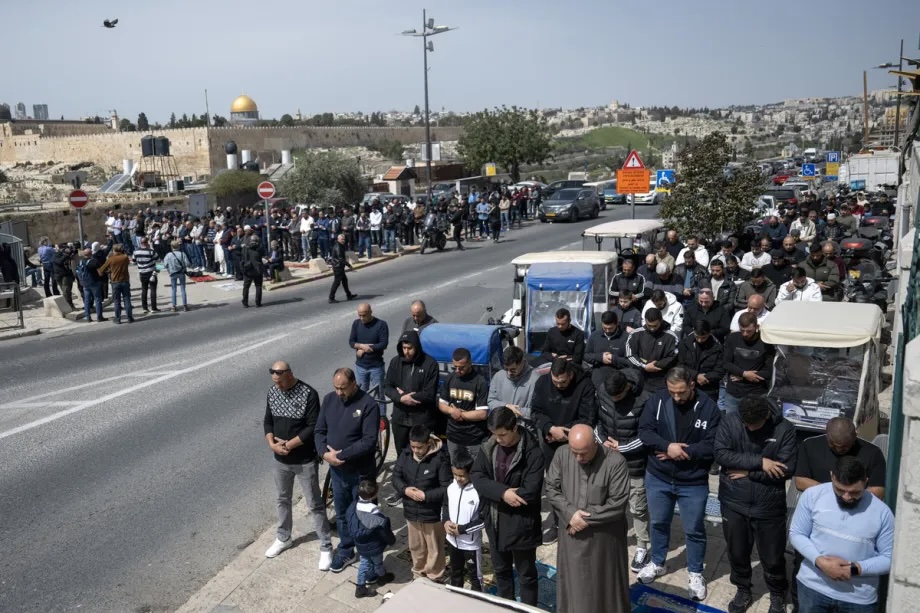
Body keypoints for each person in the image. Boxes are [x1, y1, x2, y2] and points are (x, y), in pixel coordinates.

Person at [637, 366, 721, 602]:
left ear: (692, 385)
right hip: (658, 476)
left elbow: (713, 444)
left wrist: (684, 452)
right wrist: (667, 446)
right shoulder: (658, 401)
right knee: (658, 522)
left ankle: (695, 572)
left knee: (694, 529)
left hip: (693, 482)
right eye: (672, 391)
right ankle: (657, 562)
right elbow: (644, 431)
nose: (676, 397)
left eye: (681, 392)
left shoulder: (709, 408)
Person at [714, 396, 797, 613]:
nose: (750, 429)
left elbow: (785, 470)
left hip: (768, 505)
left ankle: (778, 593)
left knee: (772, 556)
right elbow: (721, 455)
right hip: (733, 501)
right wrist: (760, 463)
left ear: (766, 416)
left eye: (756, 425)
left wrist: (748, 472)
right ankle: (743, 589)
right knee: (737, 552)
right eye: (746, 425)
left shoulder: (784, 429)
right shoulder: (731, 421)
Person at [789, 456, 894, 613]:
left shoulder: (882, 512)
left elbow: (890, 558)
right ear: (832, 476)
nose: (846, 497)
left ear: (865, 481)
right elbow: (796, 533)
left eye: (854, 492)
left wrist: (854, 569)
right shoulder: (812, 496)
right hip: (812, 588)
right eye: (839, 489)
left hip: (858, 598)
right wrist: (821, 563)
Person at [545, 424, 631, 613]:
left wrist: (584, 519)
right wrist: (570, 514)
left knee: (606, 586)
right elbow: (551, 487)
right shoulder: (561, 454)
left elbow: (617, 502)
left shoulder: (615, 462)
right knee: (574, 585)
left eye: (583, 453)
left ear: (595, 444)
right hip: (571, 536)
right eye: (574, 452)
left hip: (605, 539)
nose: (578, 458)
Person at [262, 361, 333, 569]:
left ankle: (326, 546)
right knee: (282, 499)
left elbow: (313, 427)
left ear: (290, 375)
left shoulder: (308, 394)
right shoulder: (273, 392)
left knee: (314, 503)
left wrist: (290, 445)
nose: (279, 387)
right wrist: (272, 445)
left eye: (281, 382)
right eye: (275, 382)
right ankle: (284, 537)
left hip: (303, 460)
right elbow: (268, 421)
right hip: (280, 459)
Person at [471, 407, 544, 607]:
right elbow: (477, 477)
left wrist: (495, 491)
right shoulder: (489, 447)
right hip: (494, 521)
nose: (498, 439)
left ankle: (528, 609)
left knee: (526, 576)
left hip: (522, 525)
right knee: (502, 573)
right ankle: (506, 607)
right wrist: (504, 493)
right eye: (494, 434)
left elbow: (530, 491)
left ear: (514, 428)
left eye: (502, 435)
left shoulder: (533, 452)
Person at [314, 368, 380, 573]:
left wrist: (340, 455)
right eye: (336, 388)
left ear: (354, 384)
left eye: (343, 388)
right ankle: (346, 549)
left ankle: (370, 554)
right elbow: (319, 431)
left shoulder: (368, 405)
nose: (339, 392)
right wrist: (325, 454)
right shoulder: (329, 400)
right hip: (337, 472)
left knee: (364, 514)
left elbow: (369, 442)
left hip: (360, 472)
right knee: (342, 514)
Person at [531, 357, 597, 544]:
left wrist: (564, 433)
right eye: (555, 381)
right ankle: (557, 523)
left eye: (563, 382)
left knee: (578, 485)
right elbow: (536, 411)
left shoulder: (584, 385)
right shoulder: (543, 382)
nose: (559, 385)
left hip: (575, 443)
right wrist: (550, 428)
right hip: (549, 440)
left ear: (571, 374)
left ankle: (580, 520)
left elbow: (588, 418)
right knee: (554, 484)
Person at [594, 369, 650, 572]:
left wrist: (623, 447)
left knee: (638, 508)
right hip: (608, 460)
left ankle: (642, 546)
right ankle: (609, 538)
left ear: (627, 386)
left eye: (618, 396)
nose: (614, 401)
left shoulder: (644, 400)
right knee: (608, 502)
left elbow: (647, 435)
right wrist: (602, 443)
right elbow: (598, 422)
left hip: (635, 465)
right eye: (611, 397)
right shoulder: (602, 392)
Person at [392, 425, 452, 581]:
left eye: (419, 447)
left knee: (435, 548)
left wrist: (426, 495)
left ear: (428, 443)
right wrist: (405, 490)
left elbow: (447, 488)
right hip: (411, 512)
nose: (416, 450)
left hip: (432, 513)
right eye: (413, 447)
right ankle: (418, 574)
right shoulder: (405, 455)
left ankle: (435, 576)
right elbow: (396, 477)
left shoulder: (440, 459)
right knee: (416, 546)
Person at [383, 329, 440, 462]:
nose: (406, 351)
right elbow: (387, 386)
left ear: (417, 346)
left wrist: (408, 397)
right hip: (400, 419)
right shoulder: (395, 362)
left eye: (410, 348)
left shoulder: (430, 364)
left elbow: (429, 393)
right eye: (404, 348)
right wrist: (401, 398)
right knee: (402, 456)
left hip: (421, 420)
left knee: (423, 456)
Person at [442, 449, 485, 591]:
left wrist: (462, 529)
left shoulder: (478, 492)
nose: (458, 479)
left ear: (470, 473)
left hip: (470, 545)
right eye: (455, 474)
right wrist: (446, 521)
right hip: (452, 541)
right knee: (455, 573)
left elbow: (483, 520)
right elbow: (446, 506)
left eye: (462, 476)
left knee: (476, 577)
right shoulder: (450, 487)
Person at [439, 348, 490, 463]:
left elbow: (482, 414)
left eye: (461, 368)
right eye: (455, 367)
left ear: (470, 363)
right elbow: (442, 404)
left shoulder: (480, 382)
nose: (457, 370)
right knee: (457, 472)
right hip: (453, 436)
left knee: (475, 472)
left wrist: (460, 414)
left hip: (474, 439)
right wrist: (452, 411)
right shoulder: (450, 378)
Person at [346, 479, 396, 598]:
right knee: (377, 561)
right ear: (374, 495)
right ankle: (380, 578)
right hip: (373, 545)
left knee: (364, 563)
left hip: (361, 544)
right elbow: (383, 530)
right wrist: (391, 540)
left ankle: (361, 586)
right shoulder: (374, 511)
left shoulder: (353, 506)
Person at [723, 312, 775, 414]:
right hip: (734, 393)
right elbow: (726, 363)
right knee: (732, 425)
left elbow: (770, 372)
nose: (745, 334)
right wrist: (744, 374)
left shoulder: (765, 343)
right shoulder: (733, 338)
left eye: (749, 331)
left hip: (756, 394)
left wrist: (743, 376)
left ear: (757, 327)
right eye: (742, 330)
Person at [626, 307, 680, 402]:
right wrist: (644, 366)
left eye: (655, 325)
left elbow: (674, 356)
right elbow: (630, 355)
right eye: (649, 325)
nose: (652, 328)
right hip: (640, 379)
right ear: (645, 321)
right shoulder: (635, 334)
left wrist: (656, 365)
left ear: (661, 321)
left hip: (662, 380)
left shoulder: (671, 336)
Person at [349, 303, 389, 407]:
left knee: (380, 395)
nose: (361, 318)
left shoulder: (381, 325)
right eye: (359, 315)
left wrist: (366, 349)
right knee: (360, 395)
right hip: (360, 367)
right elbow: (351, 342)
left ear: (370, 312)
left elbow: (383, 344)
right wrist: (361, 346)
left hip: (376, 367)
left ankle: (382, 418)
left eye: (364, 315)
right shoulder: (356, 324)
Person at [487, 346, 538, 421]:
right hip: (502, 426)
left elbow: (538, 411)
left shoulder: (536, 379)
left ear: (522, 362)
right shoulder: (498, 376)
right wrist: (506, 406)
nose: (509, 373)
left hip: (525, 428)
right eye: (506, 369)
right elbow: (491, 401)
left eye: (513, 370)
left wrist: (517, 411)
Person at [678, 319, 724, 401]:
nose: (700, 340)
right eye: (697, 337)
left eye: (703, 337)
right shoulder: (685, 343)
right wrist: (696, 376)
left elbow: (720, 371)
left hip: (709, 388)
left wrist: (705, 377)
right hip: (688, 385)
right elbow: (680, 365)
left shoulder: (717, 347)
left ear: (709, 333)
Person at [584, 310, 632, 388]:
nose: (607, 331)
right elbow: (586, 355)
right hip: (598, 381)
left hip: (618, 381)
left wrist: (613, 359)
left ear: (616, 324)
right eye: (604, 328)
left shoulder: (626, 338)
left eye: (610, 328)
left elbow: (630, 362)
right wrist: (600, 357)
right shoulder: (595, 336)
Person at [97, 243, 133, 324]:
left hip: (115, 281)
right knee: (127, 299)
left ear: (114, 250)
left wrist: (108, 271)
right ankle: (130, 317)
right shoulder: (125, 257)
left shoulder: (111, 259)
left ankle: (118, 318)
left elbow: (101, 270)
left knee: (117, 301)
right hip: (125, 280)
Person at [163, 239, 191, 312]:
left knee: (173, 289)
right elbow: (188, 264)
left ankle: (174, 306)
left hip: (172, 273)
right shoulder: (182, 254)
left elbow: (165, 265)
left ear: (172, 247)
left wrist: (170, 267)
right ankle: (185, 305)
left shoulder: (168, 255)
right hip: (181, 272)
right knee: (182, 289)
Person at [132, 238, 159, 313]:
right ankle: (153, 307)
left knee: (144, 289)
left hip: (142, 272)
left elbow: (133, 261)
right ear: (147, 243)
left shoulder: (136, 251)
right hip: (151, 271)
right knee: (153, 289)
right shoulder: (151, 251)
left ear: (140, 243)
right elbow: (157, 259)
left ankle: (145, 307)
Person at [328, 233, 357, 303]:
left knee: (344, 281)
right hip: (338, 267)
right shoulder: (338, 246)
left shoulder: (340, 245)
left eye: (344, 239)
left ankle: (349, 295)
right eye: (342, 239)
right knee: (337, 282)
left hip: (339, 266)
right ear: (338, 239)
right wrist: (348, 265)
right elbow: (341, 258)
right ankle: (331, 298)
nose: (343, 240)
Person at [240, 235, 265, 308]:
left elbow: (242, 256)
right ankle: (258, 302)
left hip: (248, 269)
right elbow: (263, 254)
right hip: (257, 269)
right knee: (258, 286)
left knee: (246, 287)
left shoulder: (245, 248)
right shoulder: (260, 248)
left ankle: (245, 302)